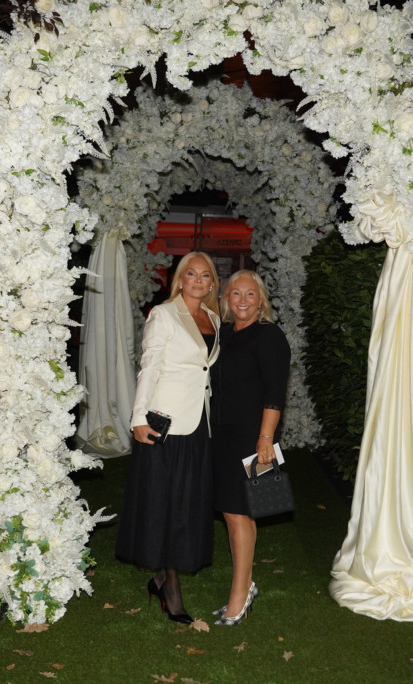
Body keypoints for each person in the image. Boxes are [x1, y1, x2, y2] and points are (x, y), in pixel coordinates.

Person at [115, 251, 221, 624]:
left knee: (187, 502)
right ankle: (170, 586)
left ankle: (162, 577)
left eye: (205, 275)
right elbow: (149, 367)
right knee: (164, 502)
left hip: (198, 423)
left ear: (212, 283)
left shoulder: (213, 318)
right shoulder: (163, 315)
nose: (198, 280)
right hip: (164, 422)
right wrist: (138, 417)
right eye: (191, 273)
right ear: (179, 279)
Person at [209, 270, 291, 626]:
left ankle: (239, 596)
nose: (242, 300)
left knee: (238, 513)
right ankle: (246, 585)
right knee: (238, 512)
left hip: (252, 435)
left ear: (261, 301)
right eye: (235, 293)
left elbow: (275, 392)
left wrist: (266, 439)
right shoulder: (223, 334)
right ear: (226, 299)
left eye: (250, 294)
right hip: (220, 434)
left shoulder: (269, 335)